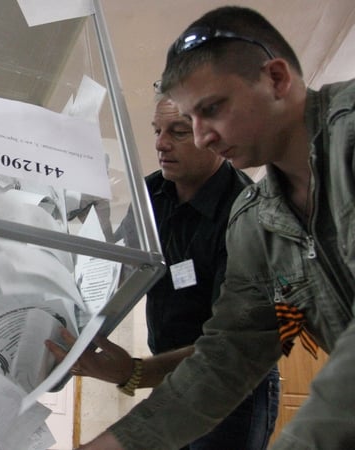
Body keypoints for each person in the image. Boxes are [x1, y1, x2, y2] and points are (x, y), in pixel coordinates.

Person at [69, 5, 355, 449]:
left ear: (276, 79)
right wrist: (116, 444)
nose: (203, 137)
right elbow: (226, 358)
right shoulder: (257, 223)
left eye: (212, 110)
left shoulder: (348, 136)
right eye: (190, 121)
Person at [49, 97, 279, 449]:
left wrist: (132, 372)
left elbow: (229, 348)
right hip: (170, 375)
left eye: (178, 132)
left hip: (233, 387)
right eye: (157, 130)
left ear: (214, 136)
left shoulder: (246, 214)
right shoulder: (151, 195)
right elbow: (115, 270)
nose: (160, 143)